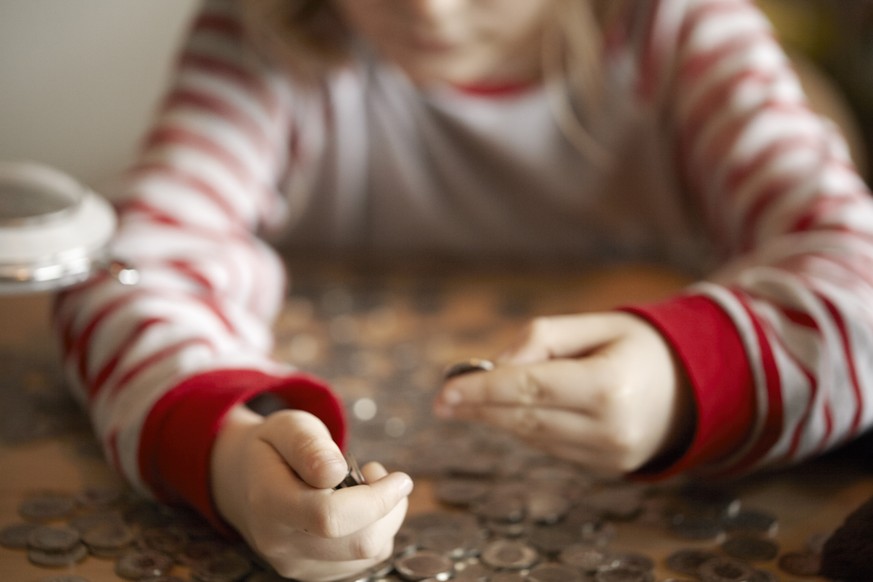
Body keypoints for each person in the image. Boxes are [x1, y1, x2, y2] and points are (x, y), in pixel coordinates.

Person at [53, 0, 873, 580]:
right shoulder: (267, 26)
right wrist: (225, 453)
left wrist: (684, 375)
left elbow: (859, 273)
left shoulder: (679, 27)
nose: (431, 10)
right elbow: (126, 270)